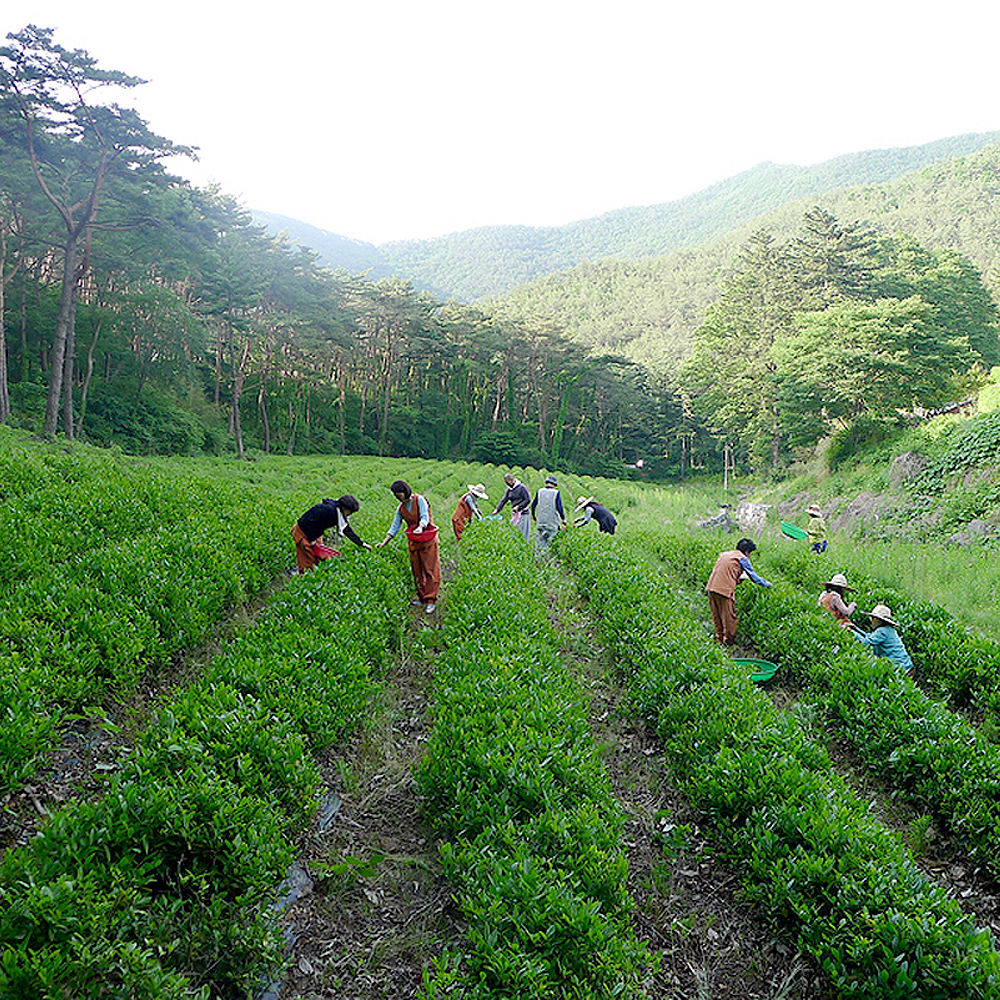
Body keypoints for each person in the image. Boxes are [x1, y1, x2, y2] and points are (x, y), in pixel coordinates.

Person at [377, 480, 441, 613]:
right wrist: (384, 542)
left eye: (398, 494)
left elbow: (425, 517)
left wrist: (421, 526)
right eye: (395, 495)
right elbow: (395, 526)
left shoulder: (420, 500)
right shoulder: (401, 508)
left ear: (405, 490)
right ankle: (422, 597)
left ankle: (431, 600)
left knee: (430, 569)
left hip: (427, 539)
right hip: (414, 541)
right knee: (417, 570)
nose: (397, 497)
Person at [705, 538, 771, 645]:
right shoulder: (742, 559)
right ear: (746, 552)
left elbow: (727, 572)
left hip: (711, 587)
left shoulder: (725, 555)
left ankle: (719, 639)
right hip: (724, 590)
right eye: (750, 554)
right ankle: (728, 642)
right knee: (729, 618)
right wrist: (767, 584)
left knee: (717, 615)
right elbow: (754, 576)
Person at [292, 495, 371, 574]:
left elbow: (347, 530)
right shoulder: (326, 510)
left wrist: (362, 544)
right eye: (350, 512)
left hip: (316, 532)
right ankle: (305, 578)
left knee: (318, 555)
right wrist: (312, 539)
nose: (350, 514)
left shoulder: (338, 512)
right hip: (303, 531)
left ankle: (316, 572)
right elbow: (306, 522)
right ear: (345, 508)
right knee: (308, 559)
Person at [851, 604, 915, 678]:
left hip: (902, 669)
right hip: (907, 667)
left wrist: (851, 631)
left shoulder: (882, 631)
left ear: (879, 620)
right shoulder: (887, 629)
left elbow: (866, 642)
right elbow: (869, 636)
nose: (872, 621)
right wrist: (855, 628)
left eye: (873, 618)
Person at [531, 475, 566, 552]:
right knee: (551, 543)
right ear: (554, 485)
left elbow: (533, 505)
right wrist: (563, 519)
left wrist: (533, 516)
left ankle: (538, 558)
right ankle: (549, 560)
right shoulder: (556, 493)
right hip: (552, 523)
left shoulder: (539, 491)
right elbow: (559, 507)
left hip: (541, 522)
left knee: (540, 541)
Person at [493, 472, 531, 541]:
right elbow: (504, 500)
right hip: (515, 513)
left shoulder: (522, 488)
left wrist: (519, 507)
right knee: (515, 531)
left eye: (508, 482)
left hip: (523, 513)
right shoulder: (510, 490)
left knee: (522, 533)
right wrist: (497, 510)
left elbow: (527, 500)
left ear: (512, 480)